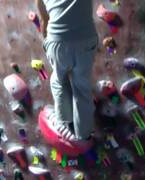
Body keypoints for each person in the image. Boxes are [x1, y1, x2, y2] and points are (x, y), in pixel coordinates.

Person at [36, 0, 98, 150]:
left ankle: (66, 122)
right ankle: (84, 133)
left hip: (58, 41)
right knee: (82, 86)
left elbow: (44, 20)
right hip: (86, 39)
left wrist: (47, 42)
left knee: (58, 80)